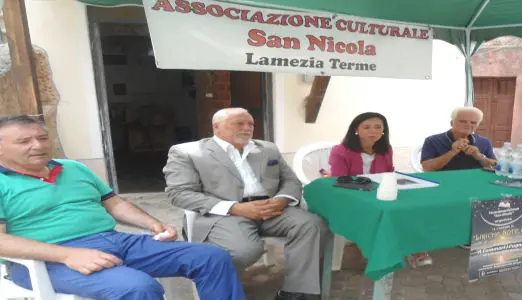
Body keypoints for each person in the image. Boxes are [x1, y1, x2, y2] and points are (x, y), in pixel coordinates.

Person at [0, 115, 245, 300]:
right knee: (137, 287)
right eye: (24, 141)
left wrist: (153, 224)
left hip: (113, 241)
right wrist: (67, 255)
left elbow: (114, 204)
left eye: (42, 138)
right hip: (47, 258)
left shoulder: (72, 168)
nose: (38, 145)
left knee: (211, 257)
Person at [163, 108, 332, 300]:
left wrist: (282, 199)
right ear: (216, 127)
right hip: (225, 213)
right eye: (239, 123)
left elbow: (291, 181)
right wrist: (235, 208)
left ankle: (296, 292)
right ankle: (221, 292)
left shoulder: (267, 148)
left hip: (271, 209)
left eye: (251, 124)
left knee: (313, 226)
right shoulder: (188, 152)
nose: (247, 128)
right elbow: (179, 193)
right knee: (244, 250)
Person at [328, 112, 432, 267]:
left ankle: (414, 248)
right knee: (384, 211)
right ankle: (389, 249)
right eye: (367, 127)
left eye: (378, 127)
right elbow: (339, 180)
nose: (373, 131)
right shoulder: (340, 151)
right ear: (356, 129)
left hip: (379, 192)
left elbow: (389, 172)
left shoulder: (386, 149)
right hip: (352, 195)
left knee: (409, 206)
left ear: (384, 130)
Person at [421, 106, 496, 172]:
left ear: (477, 126)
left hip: (475, 181)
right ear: (452, 122)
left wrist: (479, 156)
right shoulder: (432, 141)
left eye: (473, 122)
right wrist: (452, 152)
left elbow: (495, 166)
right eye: (463, 121)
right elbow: (427, 168)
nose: (468, 125)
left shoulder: (484, 141)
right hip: (443, 182)